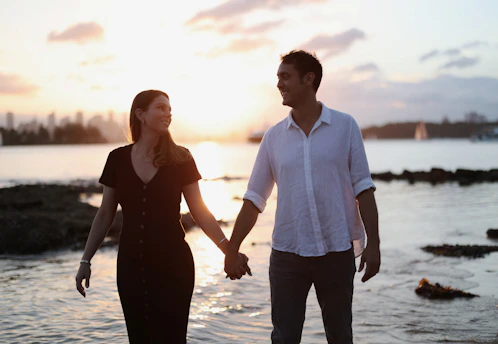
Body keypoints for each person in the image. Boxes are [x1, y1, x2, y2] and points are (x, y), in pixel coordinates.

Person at [224, 51, 380, 343]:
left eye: (285, 76)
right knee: (284, 338)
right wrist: (232, 248)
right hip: (287, 255)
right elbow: (254, 198)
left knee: (340, 336)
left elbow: (363, 188)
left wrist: (374, 244)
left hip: (336, 250)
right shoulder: (273, 137)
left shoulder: (346, 127)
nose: (279, 83)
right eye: (278, 77)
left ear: (309, 79)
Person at [75, 90, 251, 343]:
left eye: (169, 108)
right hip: (131, 265)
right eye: (160, 107)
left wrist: (228, 249)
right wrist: (85, 260)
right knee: (139, 337)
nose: (168, 113)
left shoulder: (181, 158)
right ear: (140, 114)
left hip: (174, 265)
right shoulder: (117, 159)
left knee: (173, 338)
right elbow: (105, 215)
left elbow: (199, 211)